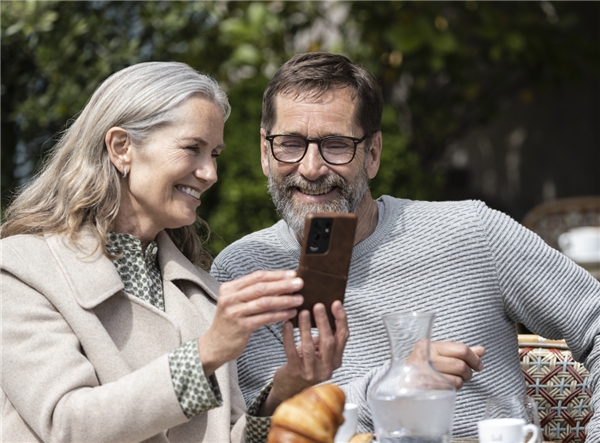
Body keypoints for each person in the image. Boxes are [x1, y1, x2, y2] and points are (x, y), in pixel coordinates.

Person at [211, 52, 600, 439]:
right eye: (290, 144)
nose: (311, 168)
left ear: (373, 154)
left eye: (336, 144)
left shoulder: (471, 230)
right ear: (265, 152)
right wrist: (396, 385)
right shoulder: (241, 272)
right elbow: (255, 429)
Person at [0, 61, 347, 443]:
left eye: (214, 153)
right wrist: (205, 353)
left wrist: (284, 390)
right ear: (121, 148)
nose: (210, 172)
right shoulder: (20, 270)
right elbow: (66, 425)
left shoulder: (201, 289)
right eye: (192, 148)